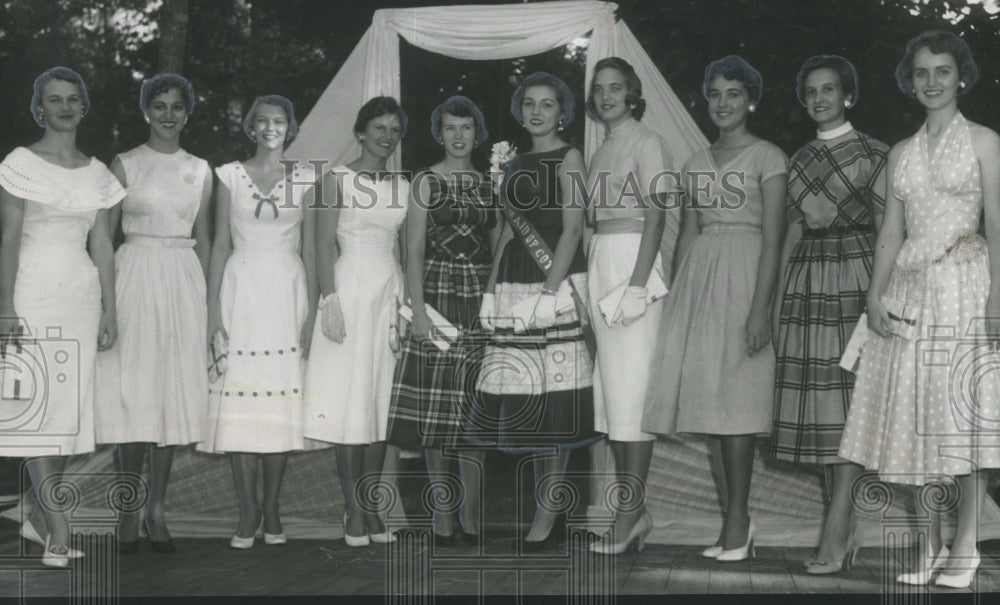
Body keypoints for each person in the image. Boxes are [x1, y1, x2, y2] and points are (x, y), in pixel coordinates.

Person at [838, 30, 1000, 589]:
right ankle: (929, 544)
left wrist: (998, 300)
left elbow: (998, 226)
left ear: (962, 76)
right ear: (910, 80)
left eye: (943, 71)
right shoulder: (900, 153)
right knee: (915, 419)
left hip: (963, 288)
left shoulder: (984, 141)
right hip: (908, 292)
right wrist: (874, 296)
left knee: (964, 420)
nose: (932, 82)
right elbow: (889, 231)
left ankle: (967, 547)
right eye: (922, 72)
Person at [642, 56, 788, 562]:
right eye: (715, 95)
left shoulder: (769, 157)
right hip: (700, 283)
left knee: (739, 406)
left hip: (746, 275)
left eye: (733, 94)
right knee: (710, 406)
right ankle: (735, 522)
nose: (722, 103)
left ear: (751, 100)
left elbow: (774, 238)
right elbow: (686, 235)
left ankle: (737, 523)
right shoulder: (694, 164)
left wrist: (760, 310)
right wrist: (676, 300)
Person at [0, 66, 124, 566]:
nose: (65, 107)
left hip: (79, 294)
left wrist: (110, 309)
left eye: (73, 99)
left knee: (68, 413)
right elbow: (7, 240)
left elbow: (103, 246)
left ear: (83, 106)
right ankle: (57, 527)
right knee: (39, 413)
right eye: (55, 100)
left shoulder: (98, 173)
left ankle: (36, 514)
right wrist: (5, 307)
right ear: (40, 107)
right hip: (31, 293)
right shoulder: (19, 163)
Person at [769, 56, 889, 574]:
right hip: (806, 282)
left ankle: (836, 527)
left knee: (847, 403)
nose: (820, 98)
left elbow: (889, 231)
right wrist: (776, 302)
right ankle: (843, 519)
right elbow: (792, 232)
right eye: (811, 91)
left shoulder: (875, 153)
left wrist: (880, 295)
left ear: (848, 96)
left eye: (830, 90)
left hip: (857, 278)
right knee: (820, 410)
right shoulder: (796, 159)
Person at [473, 72, 600, 550]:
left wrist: (549, 294)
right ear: (520, 109)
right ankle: (547, 508)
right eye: (530, 103)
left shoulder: (570, 158)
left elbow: (572, 231)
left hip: (554, 282)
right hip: (513, 283)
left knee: (558, 400)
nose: (538, 112)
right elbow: (506, 233)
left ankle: (549, 513)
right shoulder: (513, 161)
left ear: (562, 111)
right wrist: (489, 293)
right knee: (533, 401)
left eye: (548, 104)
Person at [95, 73, 212, 554]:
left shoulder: (201, 169)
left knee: (170, 394)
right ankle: (128, 506)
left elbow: (205, 238)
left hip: (182, 277)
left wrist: (204, 299)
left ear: (188, 113)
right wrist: (106, 302)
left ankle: (157, 509)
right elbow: (102, 235)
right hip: (135, 275)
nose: (168, 115)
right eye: (159, 106)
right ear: (146, 111)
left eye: (177, 106)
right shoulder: (124, 164)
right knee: (134, 391)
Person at [200, 95, 316, 549]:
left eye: (279, 121)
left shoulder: (307, 178)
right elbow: (219, 246)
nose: (270, 128)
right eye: (262, 121)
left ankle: (273, 508)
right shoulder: (228, 175)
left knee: (279, 405)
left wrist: (312, 313)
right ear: (250, 128)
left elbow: (308, 250)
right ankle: (247, 510)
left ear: (291, 128)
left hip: (287, 295)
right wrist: (213, 311)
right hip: (241, 292)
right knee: (242, 406)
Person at [386, 96, 496, 545]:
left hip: (478, 298)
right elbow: (412, 250)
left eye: (466, 127)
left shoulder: (490, 183)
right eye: (450, 127)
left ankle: (470, 518)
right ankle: (442, 518)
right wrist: (417, 311)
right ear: (439, 132)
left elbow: (498, 243)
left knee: (473, 412)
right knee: (434, 416)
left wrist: (493, 299)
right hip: (434, 295)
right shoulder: (425, 182)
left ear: (477, 133)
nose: (457, 136)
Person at [304, 96, 409, 547]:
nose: (386, 137)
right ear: (361, 131)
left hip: (387, 292)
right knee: (350, 405)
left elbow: (401, 249)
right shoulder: (337, 179)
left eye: (394, 129)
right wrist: (329, 300)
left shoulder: (403, 186)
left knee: (379, 405)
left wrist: (404, 305)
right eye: (379, 128)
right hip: (348, 290)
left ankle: (372, 506)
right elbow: (324, 244)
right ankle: (354, 509)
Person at [584, 57, 678, 555]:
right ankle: (633, 511)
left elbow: (658, 217)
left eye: (615, 88)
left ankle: (631, 514)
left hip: (633, 262)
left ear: (633, 93)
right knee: (614, 398)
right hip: (605, 260)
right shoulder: (602, 148)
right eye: (599, 89)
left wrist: (638, 284)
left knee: (632, 398)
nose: (606, 97)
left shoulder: (648, 142)